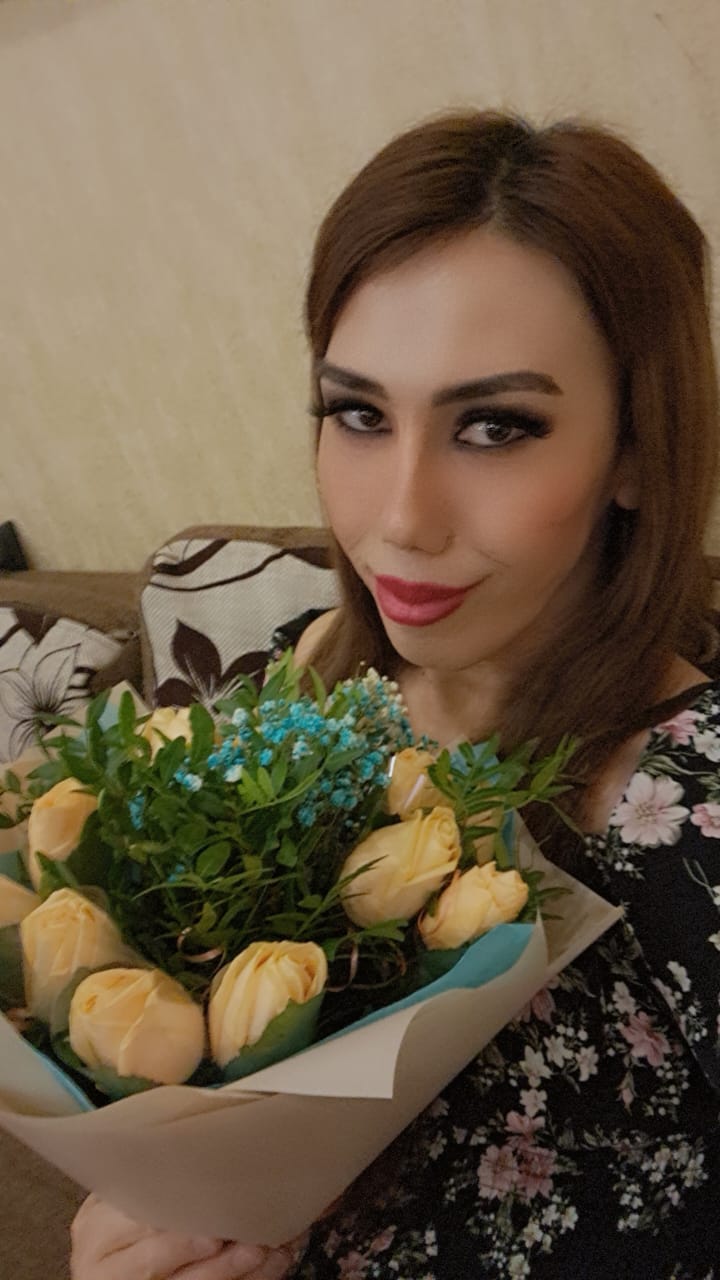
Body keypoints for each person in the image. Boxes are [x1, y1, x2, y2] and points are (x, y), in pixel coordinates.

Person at [71, 110, 720, 1278]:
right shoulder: (301, 677)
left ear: (636, 447)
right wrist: (157, 1213)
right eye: (359, 413)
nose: (401, 517)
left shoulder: (693, 811)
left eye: (495, 425)